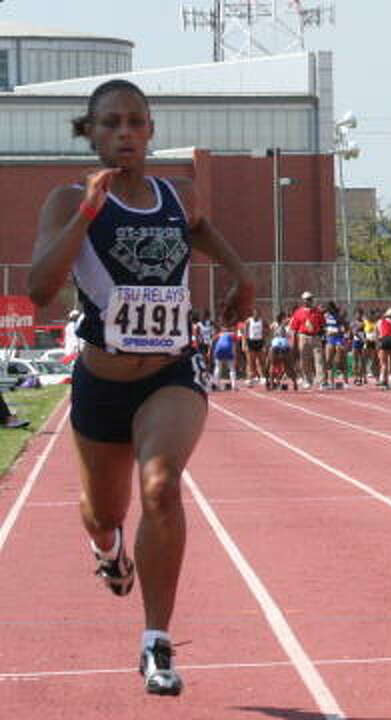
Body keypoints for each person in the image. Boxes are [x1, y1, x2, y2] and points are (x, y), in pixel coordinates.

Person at [28, 78, 253, 695]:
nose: (124, 133)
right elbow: (40, 287)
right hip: (101, 381)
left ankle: (156, 641)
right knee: (103, 513)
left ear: (150, 130)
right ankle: (109, 549)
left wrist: (241, 276)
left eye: (135, 122)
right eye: (110, 124)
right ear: (92, 134)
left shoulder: (177, 195)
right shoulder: (66, 199)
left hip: (170, 373)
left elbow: (200, 228)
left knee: (161, 484)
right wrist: (87, 213)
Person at [289, 291, 323, 389]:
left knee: (319, 359)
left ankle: (321, 381)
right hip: (303, 337)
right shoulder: (298, 312)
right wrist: (293, 341)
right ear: (303, 300)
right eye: (306, 299)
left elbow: (322, 324)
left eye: (309, 299)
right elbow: (294, 328)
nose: (308, 301)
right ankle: (307, 380)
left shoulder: (317, 312)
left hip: (315, 337)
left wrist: (318, 331)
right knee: (304, 360)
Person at [210, 323, 238, 391]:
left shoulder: (219, 334)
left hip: (219, 351)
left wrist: (211, 352)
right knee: (232, 368)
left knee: (218, 368)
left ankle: (216, 385)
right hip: (228, 351)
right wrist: (235, 355)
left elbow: (212, 341)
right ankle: (234, 386)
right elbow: (234, 345)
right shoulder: (233, 334)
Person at [376, 307, 391, 389]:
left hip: (384, 340)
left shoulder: (379, 322)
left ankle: (384, 382)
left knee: (384, 363)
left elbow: (378, 334)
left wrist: (378, 345)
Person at [244, 306, 266, 385]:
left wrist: (264, 337)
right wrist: (245, 344)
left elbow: (267, 329)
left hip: (259, 341)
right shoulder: (248, 321)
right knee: (250, 361)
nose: (256, 314)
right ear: (253, 314)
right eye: (255, 313)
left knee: (261, 360)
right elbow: (245, 333)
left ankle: (262, 377)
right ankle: (250, 378)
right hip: (251, 341)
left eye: (258, 313)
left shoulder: (262, 321)